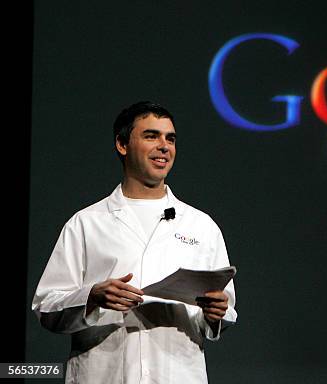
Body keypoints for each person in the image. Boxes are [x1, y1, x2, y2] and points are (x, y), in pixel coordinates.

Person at [32, 101, 237, 383]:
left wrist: (216, 313)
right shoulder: (86, 223)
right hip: (105, 375)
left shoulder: (201, 226)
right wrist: (91, 296)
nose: (164, 146)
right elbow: (46, 306)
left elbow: (222, 313)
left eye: (170, 138)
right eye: (151, 136)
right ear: (122, 144)